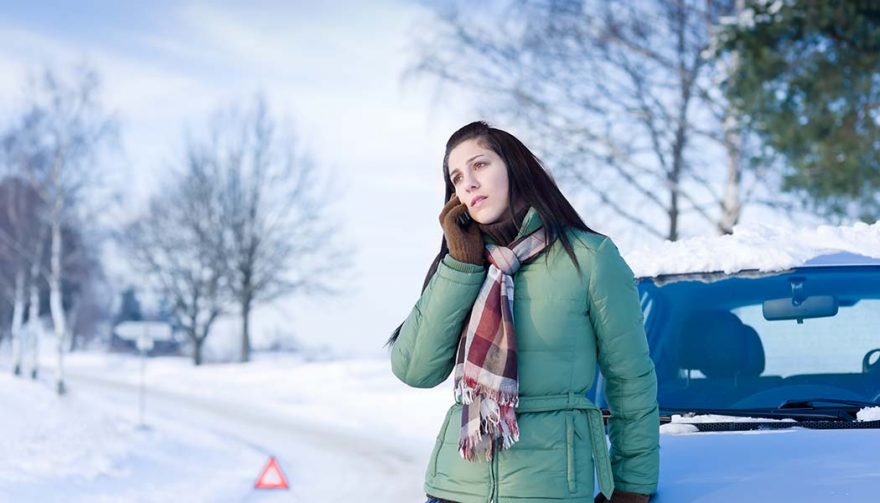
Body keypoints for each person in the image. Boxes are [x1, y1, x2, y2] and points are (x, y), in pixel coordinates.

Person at [385, 121, 659, 503]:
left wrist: (632, 487)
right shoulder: (464, 264)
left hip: (547, 490)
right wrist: (461, 265)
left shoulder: (590, 258)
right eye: (457, 177)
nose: (468, 183)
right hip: (452, 488)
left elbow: (631, 380)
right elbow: (414, 369)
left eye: (479, 165)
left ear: (515, 167)